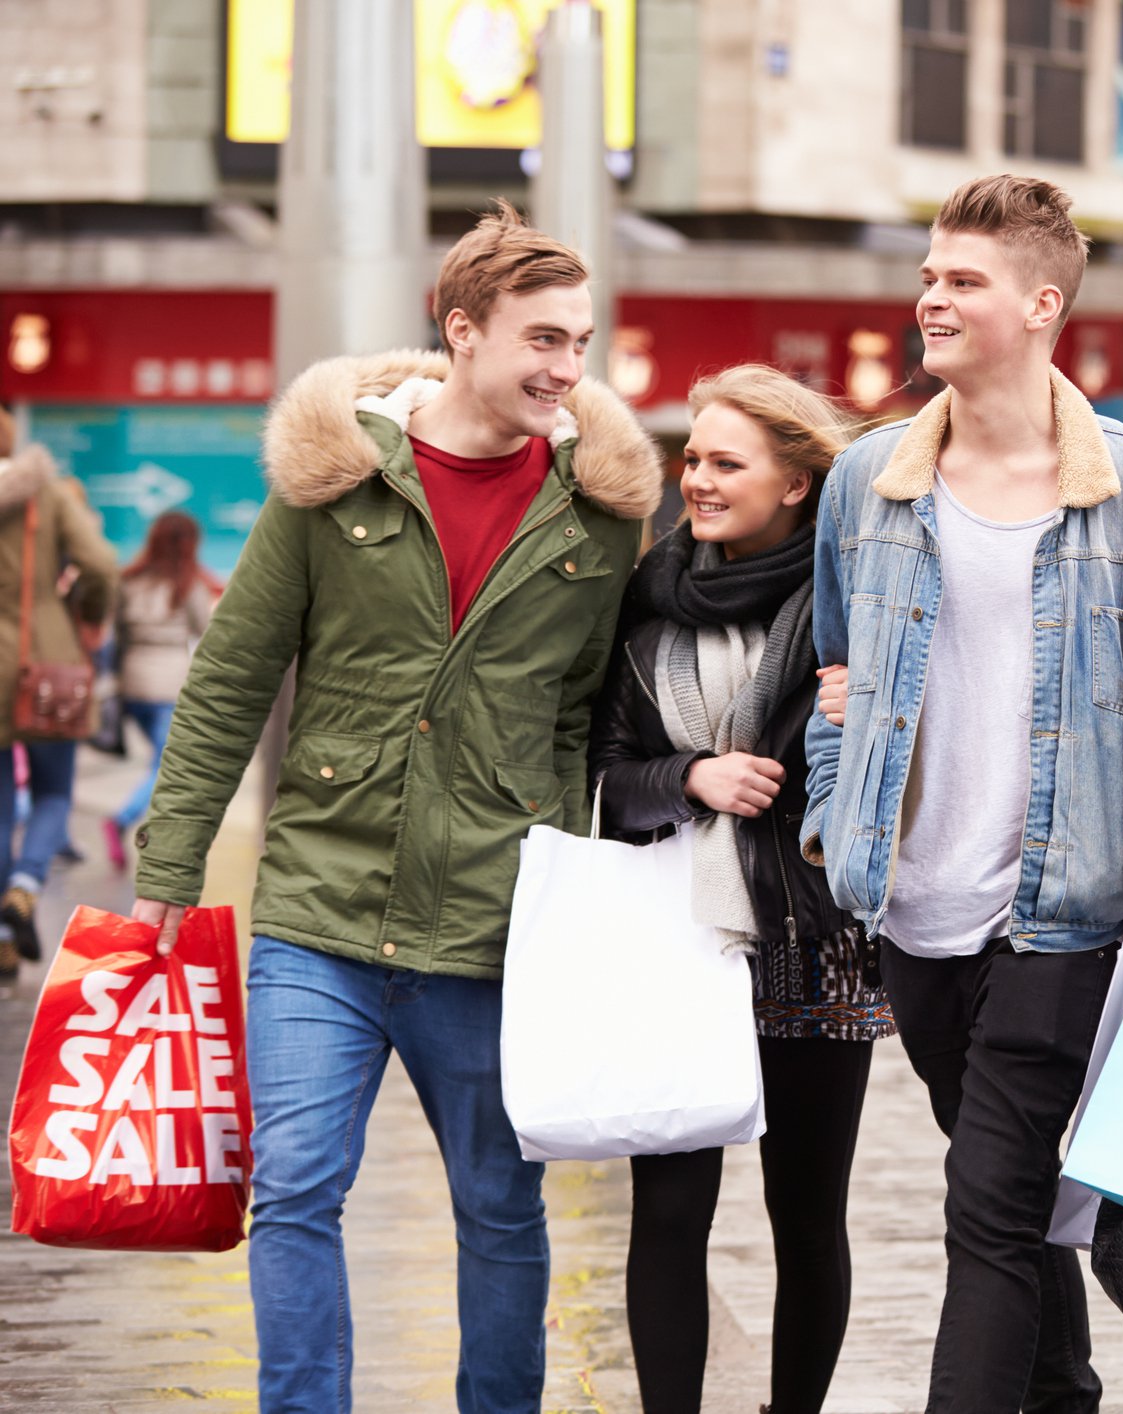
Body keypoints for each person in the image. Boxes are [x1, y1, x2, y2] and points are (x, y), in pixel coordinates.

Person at [128, 203, 662, 1411]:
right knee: (298, 1183)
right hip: (320, 910)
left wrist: (580, 900)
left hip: (489, 921)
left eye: (579, 343)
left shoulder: (599, 513)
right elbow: (229, 677)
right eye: (541, 338)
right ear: (461, 331)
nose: (565, 369)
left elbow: (586, 717)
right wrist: (169, 873)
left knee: (498, 1202)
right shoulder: (338, 485)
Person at [803, 173, 1123, 1413]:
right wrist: (832, 821)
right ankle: (1064, 1392)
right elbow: (835, 671)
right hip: (909, 909)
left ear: (1041, 305)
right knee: (1013, 1192)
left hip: (1064, 912)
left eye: (961, 280)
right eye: (928, 275)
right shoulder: (868, 480)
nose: (930, 296)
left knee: (982, 1211)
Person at [589, 366, 894, 1414]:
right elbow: (604, 775)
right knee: (666, 1211)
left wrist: (866, 715)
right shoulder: (645, 604)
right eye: (693, 460)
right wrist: (688, 777)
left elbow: (906, 771)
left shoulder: (861, 607)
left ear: (799, 482)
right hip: (679, 941)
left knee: (806, 1213)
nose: (699, 481)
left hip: (817, 941)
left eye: (728, 462)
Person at [0, 408, 119, 977]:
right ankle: (23, 888)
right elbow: (98, 563)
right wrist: (86, 618)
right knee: (52, 792)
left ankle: (1, 938)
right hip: (47, 659)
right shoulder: (42, 493)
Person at [102, 510, 220, 870]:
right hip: (170, 685)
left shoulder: (128, 580)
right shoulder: (188, 584)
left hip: (133, 684)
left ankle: (136, 823)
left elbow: (116, 634)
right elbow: (206, 630)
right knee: (166, 765)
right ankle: (122, 818)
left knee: (159, 760)